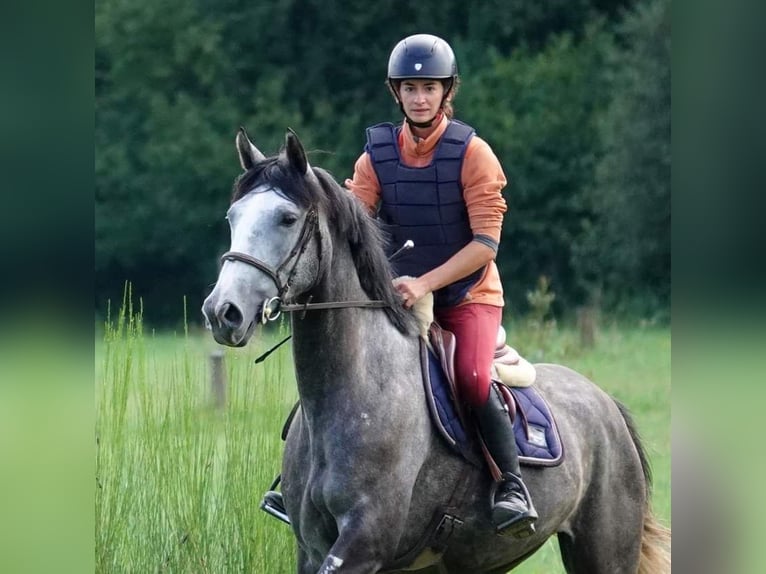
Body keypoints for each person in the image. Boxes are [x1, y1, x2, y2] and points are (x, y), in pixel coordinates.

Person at [344, 33, 537, 537]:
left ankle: (511, 484)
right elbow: (353, 227)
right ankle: (300, 477)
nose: (420, 97)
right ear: (397, 93)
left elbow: (484, 246)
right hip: (399, 295)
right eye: (410, 88)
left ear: (447, 90)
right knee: (344, 365)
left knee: (472, 378)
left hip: (467, 296)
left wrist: (424, 283)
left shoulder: (475, 154)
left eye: (429, 86)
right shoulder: (375, 157)